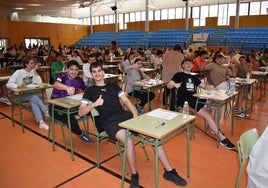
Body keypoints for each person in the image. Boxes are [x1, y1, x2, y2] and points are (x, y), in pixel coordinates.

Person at [78, 61, 187, 187]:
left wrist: (135, 116)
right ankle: (135, 176)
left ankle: (169, 171)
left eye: (99, 71)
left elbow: (126, 100)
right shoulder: (89, 91)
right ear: (91, 75)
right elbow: (81, 112)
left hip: (125, 116)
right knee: (129, 141)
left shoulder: (113, 86)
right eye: (94, 72)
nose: (97, 74)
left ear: (103, 72)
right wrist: (94, 104)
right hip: (109, 122)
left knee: (153, 136)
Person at [167, 58, 235, 150]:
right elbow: (169, 85)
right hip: (185, 101)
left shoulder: (194, 77)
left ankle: (214, 129)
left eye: (190, 64)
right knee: (207, 115)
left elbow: (204, 86)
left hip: (195, 98)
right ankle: (223, 139)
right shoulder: (179, 75)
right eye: (186, 63)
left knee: (216, 107)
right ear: (182, 65)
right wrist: (174, 85)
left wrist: (211, 87)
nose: (189, 65)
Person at [49, 60, 93, 143]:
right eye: (71, 69)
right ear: (67, 69)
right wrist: (66, 87)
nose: (74, 72)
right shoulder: (61, 76)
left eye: (76, 70)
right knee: (71, 119)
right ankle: (80, 134)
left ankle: (102, 129)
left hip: (72, 106)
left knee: (92, 110)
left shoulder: (78, 79)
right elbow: (55, 84)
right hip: (56, 108)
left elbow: (86, 89)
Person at [6, 56, 49, 130]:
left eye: (33, 63)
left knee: (34, 99)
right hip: (19, 96)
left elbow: (40, 83)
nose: (33, 65)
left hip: (31, 94)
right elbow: (8, 84)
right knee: (35, 97)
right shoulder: (19, 72)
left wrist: (35, 72)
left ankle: (41, 122)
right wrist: (18, 86)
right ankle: (45, 111)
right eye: (31, 63)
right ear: (26, 64)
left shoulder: (32, 72)